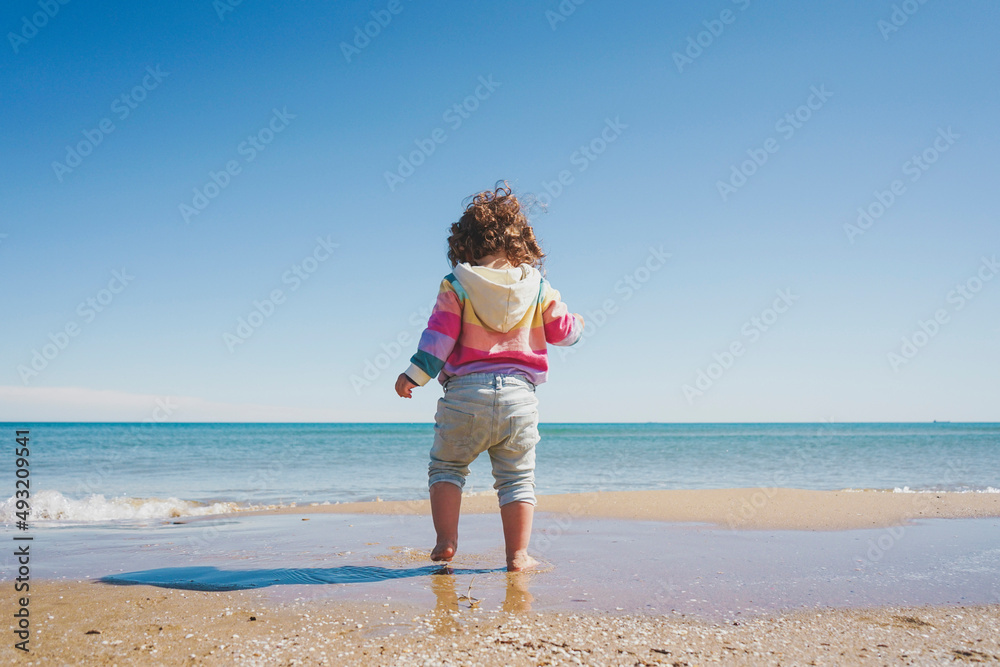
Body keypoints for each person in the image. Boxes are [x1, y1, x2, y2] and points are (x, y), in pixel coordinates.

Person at [395, 182, 583, 572]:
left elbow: (439, 338)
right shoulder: (538, 287)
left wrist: (414, 375)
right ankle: (517, 555)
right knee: (517, 479)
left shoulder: (458, 285)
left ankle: (446, 542)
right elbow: (563, 332)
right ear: (522, 244)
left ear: (465, 244)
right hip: (519, 396)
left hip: (465, 394)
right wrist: (578, 324)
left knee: (447, 468)